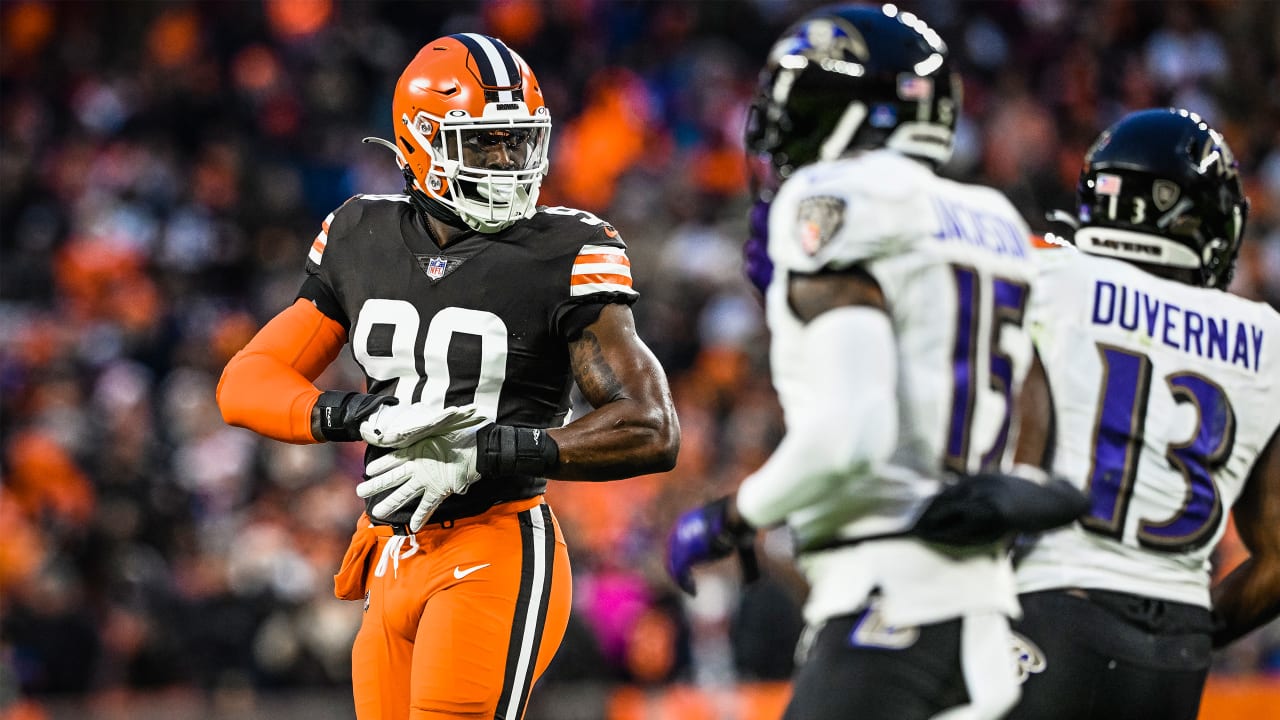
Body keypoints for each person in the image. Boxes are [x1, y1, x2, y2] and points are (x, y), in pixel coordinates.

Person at [216, 32, 680, 720]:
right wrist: (359, 416)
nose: (508, 162)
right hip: (392, 553)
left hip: (495, 541)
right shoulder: (359, 233)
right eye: (486, 143)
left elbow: (651, 426)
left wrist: (485, 451)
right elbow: (245, 382)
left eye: (518, 141)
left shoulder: (565, 249)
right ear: (418, 142)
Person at [665, 5, 1084, 719]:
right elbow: (1036, 415)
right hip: (985, 617)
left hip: (887, 595)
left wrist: (736, 514)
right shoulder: (997, 220)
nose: (785, 144)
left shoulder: (839, 199)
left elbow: (850, 436)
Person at [1007, 108, 1280, 720]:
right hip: (1174, 649)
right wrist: (1178, 633)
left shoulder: (1051, 275)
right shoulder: (1267, 336)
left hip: (1053, 605)